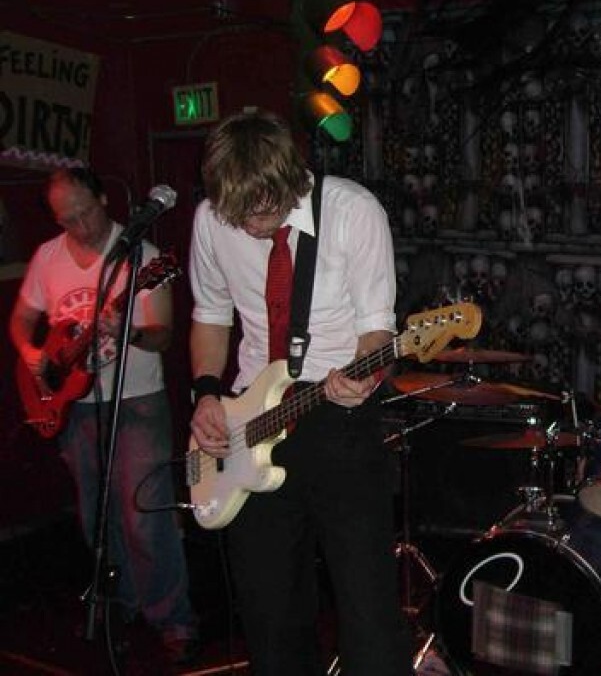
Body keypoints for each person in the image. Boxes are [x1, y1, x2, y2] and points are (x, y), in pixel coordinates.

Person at [187, 109, 411, 675]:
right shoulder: (211, 219)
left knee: (367, 609)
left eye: (263, 209)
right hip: (250, 421)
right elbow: (211, 315)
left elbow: (377, 330)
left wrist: (363, 377)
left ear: (291, 176)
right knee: (270, 612)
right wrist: (207, 395)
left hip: (337, 415)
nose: (251, 224)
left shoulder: (353, 212)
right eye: (239, 213)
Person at [8, 167, 198, 664]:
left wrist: (127, 330)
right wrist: (31, 352)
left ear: (102, 199)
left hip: (136, 401)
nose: (80, 226)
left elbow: (164, 335)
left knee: (144, 514)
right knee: (98, 516)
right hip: (76, 406)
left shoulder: (145, 259)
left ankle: (173, 619)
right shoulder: (48, 257)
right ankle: (124, 603)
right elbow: (22, 319)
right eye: (67, 219)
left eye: (86, 212)